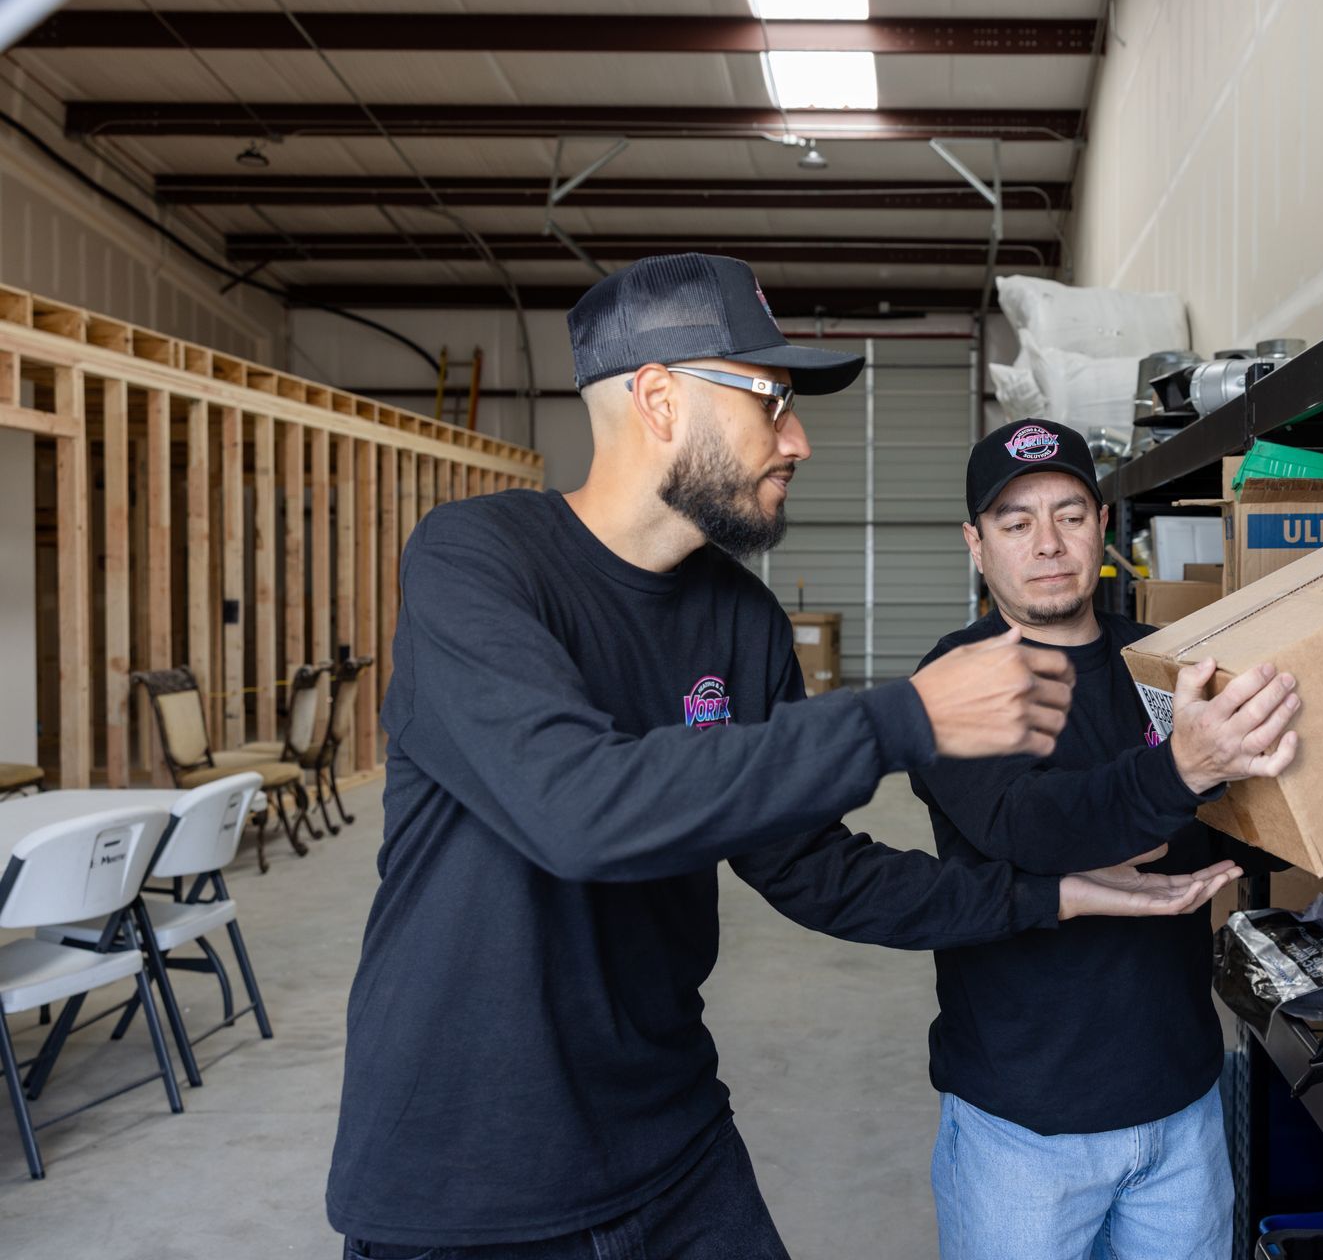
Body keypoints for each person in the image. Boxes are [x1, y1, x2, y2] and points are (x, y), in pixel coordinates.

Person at [325, 255, 1243, 1260]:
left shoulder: (741, 620)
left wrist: (1049, 897)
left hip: (671, 1142)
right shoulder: (477, 558)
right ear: (661, 397)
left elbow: (819, 871)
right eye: (771, 400)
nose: (798, 438)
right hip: (467, 1181)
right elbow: (575, 807)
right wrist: (906, 718)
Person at [910, 418, 1303, 1260]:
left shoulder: (1166, 669)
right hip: (1025, 1131)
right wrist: (1180, 770)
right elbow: (1029, 826)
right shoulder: (954, 683)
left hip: (1181, 1108)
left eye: (1070, 515)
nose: (1047, 544)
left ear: (1102, 529)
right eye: (1016, 524)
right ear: (976, 546)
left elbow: (1237, 832)